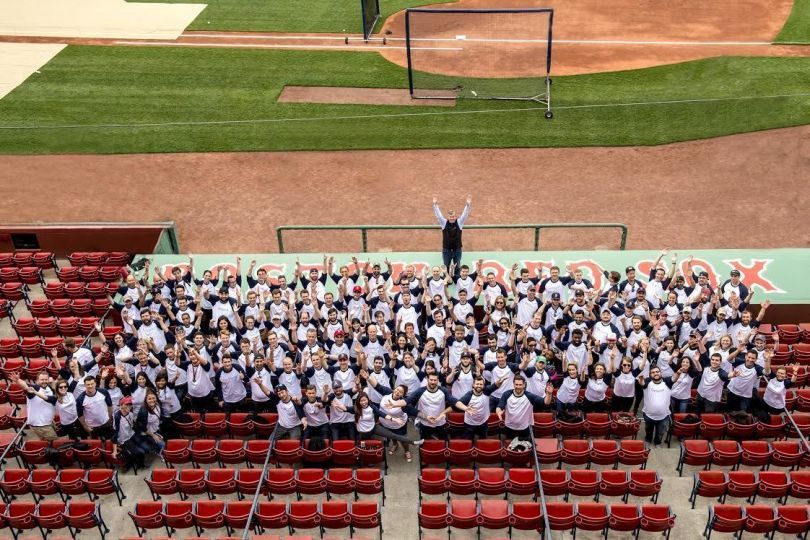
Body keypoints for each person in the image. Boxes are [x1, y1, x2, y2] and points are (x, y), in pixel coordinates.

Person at [496, 376, 551, 443]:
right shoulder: (506, 394)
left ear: (524, 385)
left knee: (525, 447)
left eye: (520, 385)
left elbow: (545, 402)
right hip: (509, 427)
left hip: (524, 428)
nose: (518, 387)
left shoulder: (529, 396)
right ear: (513, 384)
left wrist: (549, 394)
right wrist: (498, 411)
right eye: (516, 384)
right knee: (509, 446)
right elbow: (499, 406)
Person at [432, 194, 472, 271]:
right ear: (448, 217)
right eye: (450, 217)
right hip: (446, 250)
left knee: (457, 267)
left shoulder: (459, 222)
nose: (452, 218)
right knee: (446, 267)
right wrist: (435, 205)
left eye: (453, 216)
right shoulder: (444, 223)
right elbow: (439, 216)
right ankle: (446, 278)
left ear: (455, 216)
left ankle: (457, 277)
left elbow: (465, 215)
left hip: (457, 250)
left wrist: (467, 205)